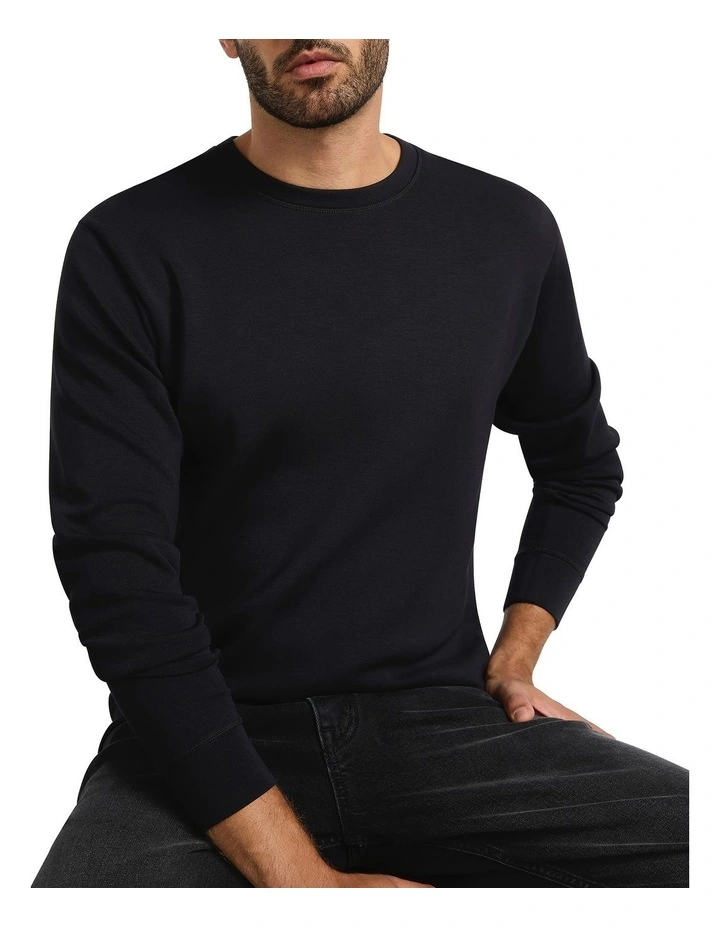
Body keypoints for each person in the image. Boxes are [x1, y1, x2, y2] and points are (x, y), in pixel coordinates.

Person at [31, 39, 688, 888]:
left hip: (445, 727)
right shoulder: (131, 243)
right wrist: (300, 879)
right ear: (228, 32)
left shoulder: (504, 230)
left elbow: (581, 466)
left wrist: (515, 658)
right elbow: (116, 570)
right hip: (201, 742)